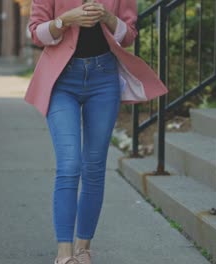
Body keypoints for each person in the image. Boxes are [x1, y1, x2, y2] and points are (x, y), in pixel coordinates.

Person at [24, 1, 168, 263]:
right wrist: (65, 20)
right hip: (61, 81)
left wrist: (108, 18)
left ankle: (83, 248)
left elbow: (129, 36)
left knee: (94, 166)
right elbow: (35, 33)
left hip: (104, 79)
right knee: (69, 165)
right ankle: (64, 254)